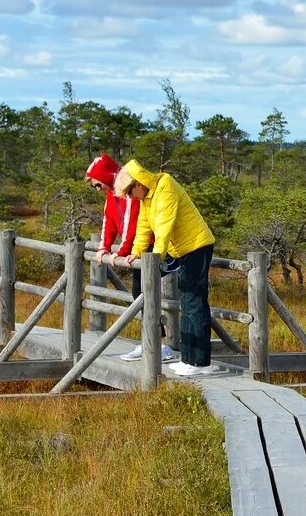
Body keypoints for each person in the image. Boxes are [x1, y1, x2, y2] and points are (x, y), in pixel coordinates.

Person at [111, 160, 223, 378]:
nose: (130, 197)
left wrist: (156, 256)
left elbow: (164, 226)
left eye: (130, 192)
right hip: (183, 250)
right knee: (187, 301)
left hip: (196, 246)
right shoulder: (147, 198)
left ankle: (201, 363)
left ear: (139, 183)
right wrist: (136, 251)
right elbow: (144, 227)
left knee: (194, 301)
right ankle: (189, 359)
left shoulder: (165, 186)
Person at [86, 153, 176, 363]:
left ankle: (159, 346)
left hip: (150, 247)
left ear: (107, 177)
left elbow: (132, 224)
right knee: (142, 294)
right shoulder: (111, 196)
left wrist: (123, 251)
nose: (98, 190)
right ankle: (153, 343)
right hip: (140, 249)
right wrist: (104, 247)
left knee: (145, 293)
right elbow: (108, 221)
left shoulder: (128, 192)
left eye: (98, 185)